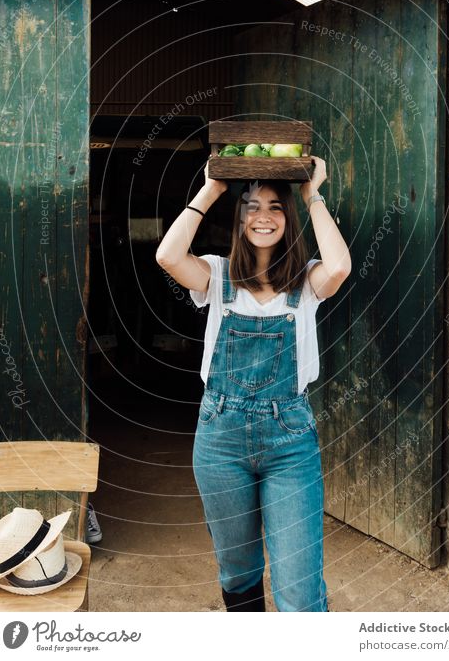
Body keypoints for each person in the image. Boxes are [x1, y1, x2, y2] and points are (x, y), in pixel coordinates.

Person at [156, 155, 351, 612]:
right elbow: (166, 255)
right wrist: (213, 189)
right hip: (220, 439)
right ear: (239, 218)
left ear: (289, 217)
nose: (262, 216)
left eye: (274, 207)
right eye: (252, 206)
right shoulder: (216, 274)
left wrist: (311, 193)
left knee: (300, 589)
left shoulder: (307, 281)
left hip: (289, 441)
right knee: (239, 570)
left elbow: (340, 266)